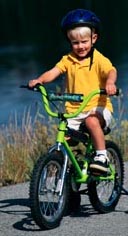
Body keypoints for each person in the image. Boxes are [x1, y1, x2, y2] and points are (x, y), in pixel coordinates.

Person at [29, 9, 117, 174]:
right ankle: (67, 173)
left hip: (97, 108)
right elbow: (53, 72)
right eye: (75, 43)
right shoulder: (67, 60)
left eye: (84, 41)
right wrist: (40, 80)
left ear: (94, 38)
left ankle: (102, 156)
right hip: (74, 111)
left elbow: (111, 71)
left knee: (91, 122)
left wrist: (110, 83)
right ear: (69, 42)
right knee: (64, 139)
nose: (80, 46)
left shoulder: (98, 59)